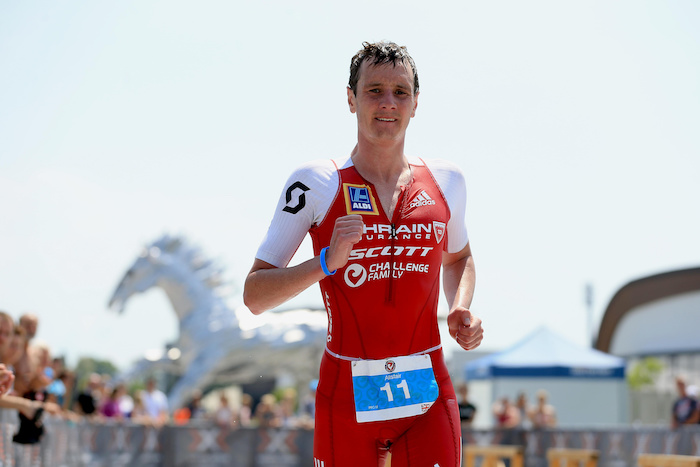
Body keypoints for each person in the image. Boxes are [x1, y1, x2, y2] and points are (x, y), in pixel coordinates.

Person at [244, 40, 483, 467]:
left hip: (427, 390)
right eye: (374, 90)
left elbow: (459, 257)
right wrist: (323, 264)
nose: (388, 103)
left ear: (415, 104)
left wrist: (459, 307)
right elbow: (255, 296)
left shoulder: (448, 180)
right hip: (345, 396)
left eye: (400, 92)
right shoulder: (315, 182)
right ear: (351, 99)